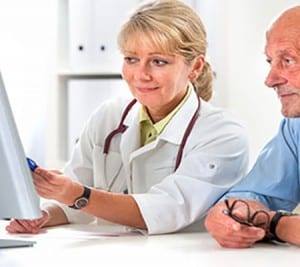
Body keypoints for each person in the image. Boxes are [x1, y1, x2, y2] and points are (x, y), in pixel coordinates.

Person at [6, 0, 249, 235]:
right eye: (131, 59)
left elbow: (164, 210)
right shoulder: (109, 116)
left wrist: (75, 194)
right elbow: (74, 202)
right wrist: (44, 214)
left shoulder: (223, 135)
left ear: (195, 67)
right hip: (116, 256)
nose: (141, 74)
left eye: (158, 61)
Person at [205, 5, 300, 248]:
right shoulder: (294, 129)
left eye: (288, 60)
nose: (270, 80)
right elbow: (253, 196)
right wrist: (229, 213)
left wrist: (274, 223)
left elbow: (266, 217)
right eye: (270, 61)